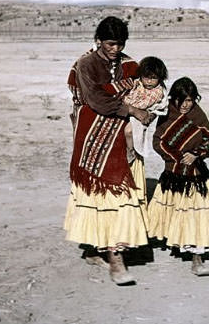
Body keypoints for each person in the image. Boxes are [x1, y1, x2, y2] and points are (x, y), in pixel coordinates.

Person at [63, 16, 153, 286]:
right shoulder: (86, 64)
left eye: (120, 43)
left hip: (123, 133)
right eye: (110, 43)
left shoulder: (129, 64)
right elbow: (96, 99)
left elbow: (145, 86)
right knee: (103, 192)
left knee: (120, 193)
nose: (115, 49)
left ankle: (101, 248)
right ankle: (115, 260)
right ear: (98, 41)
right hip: (93, 133)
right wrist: (132, 109)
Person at [147, 77, 209, 276]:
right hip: (173, 174)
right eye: (181, 100)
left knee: (195, 215)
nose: (185, 105)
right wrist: (177, 158)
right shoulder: (167, 113)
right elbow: (158, 141)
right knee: (175, 212)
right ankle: (176, 243)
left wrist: (195, 155)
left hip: (195, 174)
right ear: (173, 99)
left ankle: (197, 259)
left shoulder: (198, 115)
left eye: (190, 101)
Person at [121, 56, 169, 163]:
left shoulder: (157, 91)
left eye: (153, 78)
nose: (149, 81)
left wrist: (128, 104)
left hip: (141, 115)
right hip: (131, 110)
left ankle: (131, 151)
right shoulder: (138, 83)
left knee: (128, 131)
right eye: (146, 77)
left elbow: (143, 105)